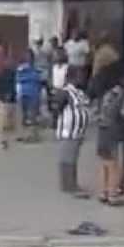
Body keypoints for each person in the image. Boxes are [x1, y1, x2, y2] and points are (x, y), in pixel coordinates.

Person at [51, 70, 90, 198]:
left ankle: (71, 183)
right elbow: (57, 108)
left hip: (78, 132)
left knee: (73, 158)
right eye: (79, 76)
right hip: (68, 131)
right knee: (67, 158)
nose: (82, 78)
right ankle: (69, 185)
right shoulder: (65, 92)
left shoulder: (80, 93)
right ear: (71, 78)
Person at [95, 79, 124, 205]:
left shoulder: (104, 95)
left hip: (101, 129)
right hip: (112, 129)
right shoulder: (120, 95)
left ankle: (103, 192)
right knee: (113, 164)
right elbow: (122, 113)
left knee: (104, 162)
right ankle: (113, 194)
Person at [14, 49, 43, 140]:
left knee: (32, 115)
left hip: (33, 93)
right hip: (23, 93)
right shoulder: (21, 68)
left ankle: (34, 135)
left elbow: (38, 79)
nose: (28, 58)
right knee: (22, 115)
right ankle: (21, 134)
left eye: (29, 56)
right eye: (26, 56)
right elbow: (17, 80)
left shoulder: (36, 68)